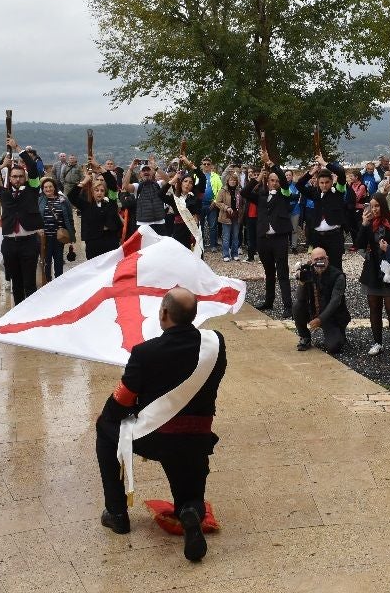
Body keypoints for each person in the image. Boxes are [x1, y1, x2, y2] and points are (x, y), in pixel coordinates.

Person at [94, 288, 227, 563]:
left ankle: (117, 513)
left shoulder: (145, 352)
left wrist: (117, 412)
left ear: (164, 313)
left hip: (155, 437)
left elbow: (121, 403)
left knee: (105, 428)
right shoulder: (216, 344)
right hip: (197, 439)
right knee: (190, 498)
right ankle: (189, 512)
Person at [0, 140, 44, 304]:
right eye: (14, 176)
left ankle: (30, 313)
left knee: (29, 282)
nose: (17, 179)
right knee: (16, 283)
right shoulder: (3, 192)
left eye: (20, 176)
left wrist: (18, 149)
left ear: (25, 177)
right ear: (10, 178)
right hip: (10, 243)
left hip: (29, 241)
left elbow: (34, 169)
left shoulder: (32, 188)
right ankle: (17, 311)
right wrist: (1, 166)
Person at [358, 194, 390, 358]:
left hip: (389, 270)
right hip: (372, 270)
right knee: (374, 308)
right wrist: (363, 224)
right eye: (372, 206)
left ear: (384, 206)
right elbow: (358, 244)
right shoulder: (368, 224)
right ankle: (377, 342)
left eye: (377, 206)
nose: (374, 209)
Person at [244, 159, 294, 318]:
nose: (274, 183)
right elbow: (244, 193)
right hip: (263, 239)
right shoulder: (261, 196)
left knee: (283, 272)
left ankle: (288, 305)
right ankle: (269, 301)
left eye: (277, 181)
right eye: (272, 180)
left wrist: (272, 164)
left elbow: (284, 181)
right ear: (267, 181)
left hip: (279, 238)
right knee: (269, 271)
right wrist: (258, 179)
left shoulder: (284, 194)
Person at [297, 155, 349, 270]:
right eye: (321, 183)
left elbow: (341, 172)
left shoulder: (338, 191)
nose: (324, 185)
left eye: (327, 182)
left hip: (334, 237)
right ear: (318, 183)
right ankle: (320, 287)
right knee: (319, 268)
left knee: (336, 267)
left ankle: (337, 287)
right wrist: (312, 172)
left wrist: (324, 163)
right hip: (318, 238)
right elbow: (299, 185)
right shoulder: (315, 193)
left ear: (331, 182)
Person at [294, 246, 350, 353]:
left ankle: (339, 334)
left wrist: (320, 319)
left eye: (322, 258)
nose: (320, 262)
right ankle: (305, 337)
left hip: (332, 316)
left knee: (334, 347)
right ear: (311, 261)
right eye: (316, 260)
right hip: (313, 310)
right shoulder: (308, 272)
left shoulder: (338, 275)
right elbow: (300, 298)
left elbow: (335, 302)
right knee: (297, 306)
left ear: (327, 259)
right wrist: (302, 282)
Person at [68, 166, 123, 259]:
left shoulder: (111, 202)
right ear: (92, 192)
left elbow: (113, 185)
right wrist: (84, 181)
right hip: (93, 243)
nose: (99, 193)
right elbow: (71, 196)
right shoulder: (86, 206)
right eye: (96, 190)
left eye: (102, 190)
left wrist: (101, 169)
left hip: (111, 241)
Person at [38, 178, 75, 282]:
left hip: (59, 236)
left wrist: (72, 234)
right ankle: (47, 281)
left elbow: (69, 217)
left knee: (58, 260)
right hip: (45, 237)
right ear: (43, 189)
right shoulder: (40, 200)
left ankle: (58, 282)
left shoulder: (63, 199)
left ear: (54, 187)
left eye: (50, 187)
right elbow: (36, 217)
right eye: (45, 187)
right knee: (46, 261)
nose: (48, 189)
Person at [214, 169, 244, 261]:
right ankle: (226, 254)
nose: (233, 181)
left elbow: (242, 203)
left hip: (236, 216)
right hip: (226, 216)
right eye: (231, 180)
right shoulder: (223, 190)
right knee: (226, 236)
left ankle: (234, 253)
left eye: (234, 180)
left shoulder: (239, 191)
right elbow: (218, 202)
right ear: (227, 181)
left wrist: (241, 211)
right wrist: (226, 207)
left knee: (235, 236)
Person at [199, 158, 223, 250]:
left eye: (208, 164)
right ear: (201, 165)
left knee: (213, 225)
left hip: (211, 203)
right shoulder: (197, 176)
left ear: (211, 166)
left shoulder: (216, 176)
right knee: (200, 225)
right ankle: (202, 245)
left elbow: (220, 190)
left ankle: (213, 245)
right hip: (200, 204)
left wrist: (216, 201)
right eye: (204, 164)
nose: (206, 165)